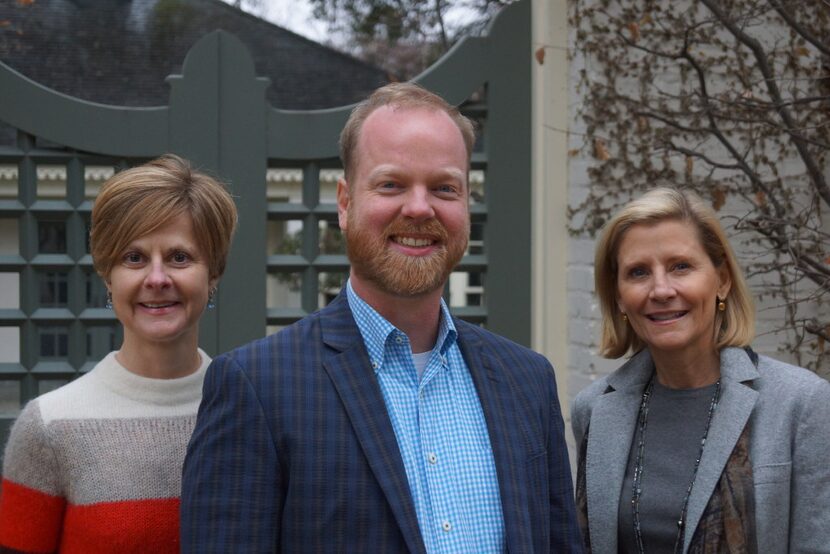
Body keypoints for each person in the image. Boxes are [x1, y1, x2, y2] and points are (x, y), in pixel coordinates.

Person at [181, 82, 582, 553]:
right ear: (346, 203)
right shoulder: (258, 387)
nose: (418, 207)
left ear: (466, 204)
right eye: (391, 184)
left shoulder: (527, 381)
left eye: (444, 188)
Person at [572, 187, 830, 553]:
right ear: (619, 296)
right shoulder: (595, 409)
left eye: (681, 266)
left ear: (721, 279)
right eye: (638, 272)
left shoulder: (800, 404)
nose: (661, 289)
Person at [0, 154, 237, 553]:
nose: (157, 278)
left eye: (180, 257)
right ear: (107, 276)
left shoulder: (248, 413)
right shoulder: (50, 426)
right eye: (134, 258)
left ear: (213, 273)